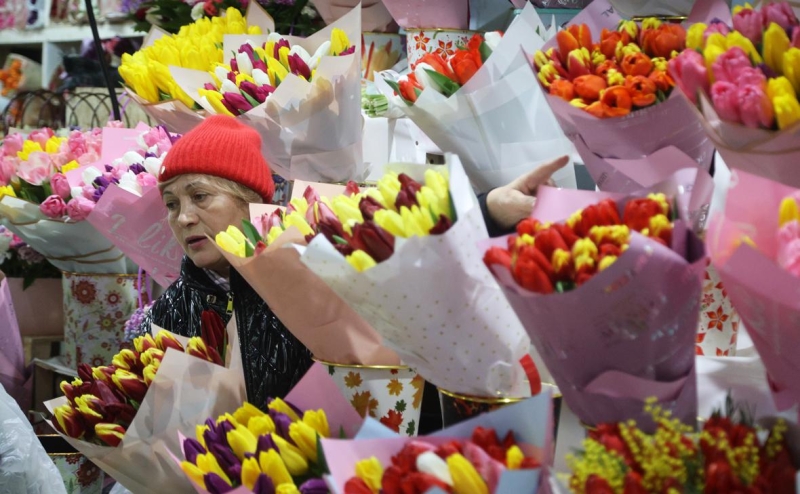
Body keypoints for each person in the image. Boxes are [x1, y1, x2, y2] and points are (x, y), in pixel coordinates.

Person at [136, 115, 312, 409]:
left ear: (249, 201)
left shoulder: (308, 296)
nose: (183, 218)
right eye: (171, 204)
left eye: (200, 196)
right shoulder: (166, 313)